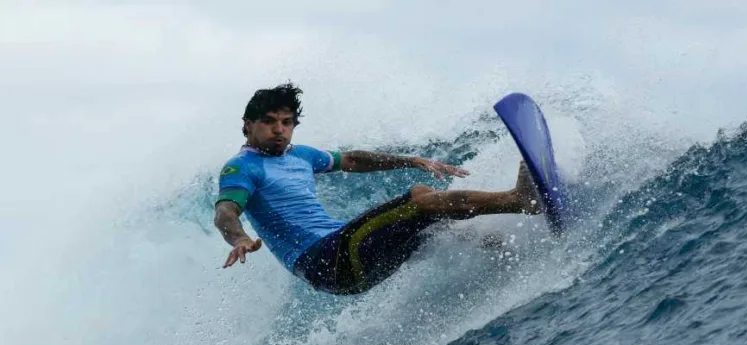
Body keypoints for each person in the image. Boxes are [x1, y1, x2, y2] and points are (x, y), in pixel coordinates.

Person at [214, 83, 541, 295]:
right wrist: (239, 238)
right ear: (247, 125)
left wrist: (412, 160)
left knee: (432, 221)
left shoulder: (301, 155)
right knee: (418, 201)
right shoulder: (242, 168)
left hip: (348, 258)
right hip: (325, 261)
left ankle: (511, 250)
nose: (279, 129)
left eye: (287, 122)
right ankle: (519, 201)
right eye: (270, 121)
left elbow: (353, 160)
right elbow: (226, 211)